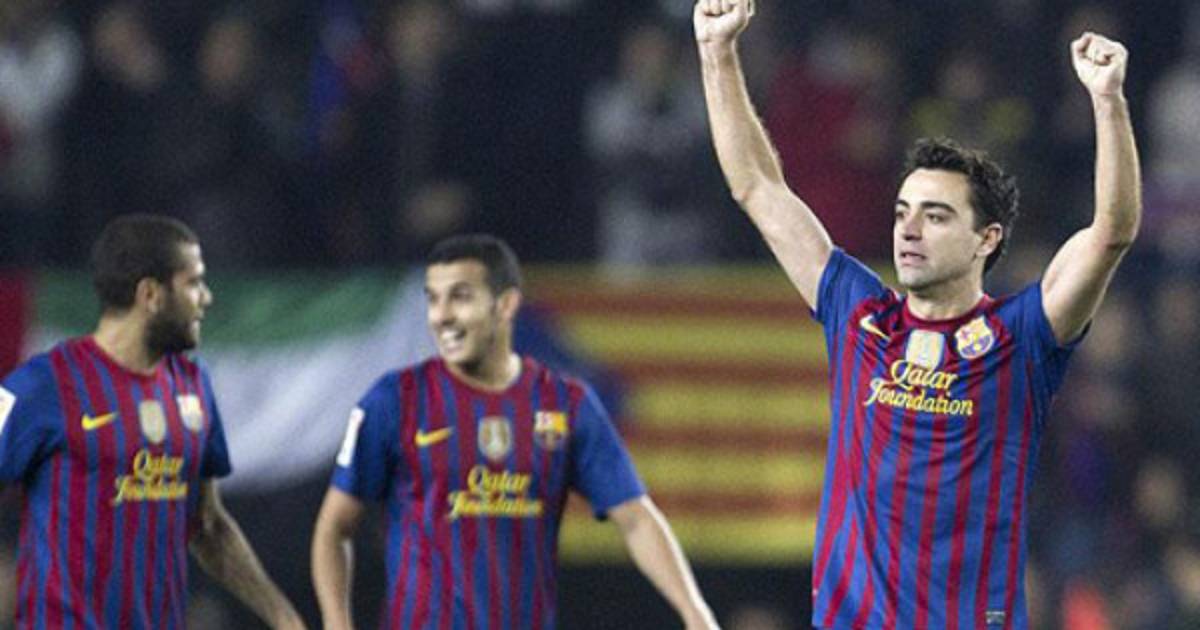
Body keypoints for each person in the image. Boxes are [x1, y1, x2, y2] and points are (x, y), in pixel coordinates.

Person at [694, 1, 1141, 628]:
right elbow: (757, 187)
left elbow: (1111, 233)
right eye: (903, 212)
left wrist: (1108, 100)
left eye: (936, 216)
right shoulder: (857, 312)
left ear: (986, 239)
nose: (909, 229)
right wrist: (717, 52)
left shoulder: (1021, 336)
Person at [311, 234, 718, 629]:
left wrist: (695, 612)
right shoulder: (394, 399)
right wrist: (336, 623)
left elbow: (636, 519)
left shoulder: (565, 403)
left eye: (460, 297)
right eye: (433, 299)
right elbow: (334, 527)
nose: (441, 315)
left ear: (505, 304)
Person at [0, 214, 305, 629]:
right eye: (194, 283)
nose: (207, 298)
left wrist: (285, 618)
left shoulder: (193, 385)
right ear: (151, 295)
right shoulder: (41, 386)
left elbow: (208, 526)